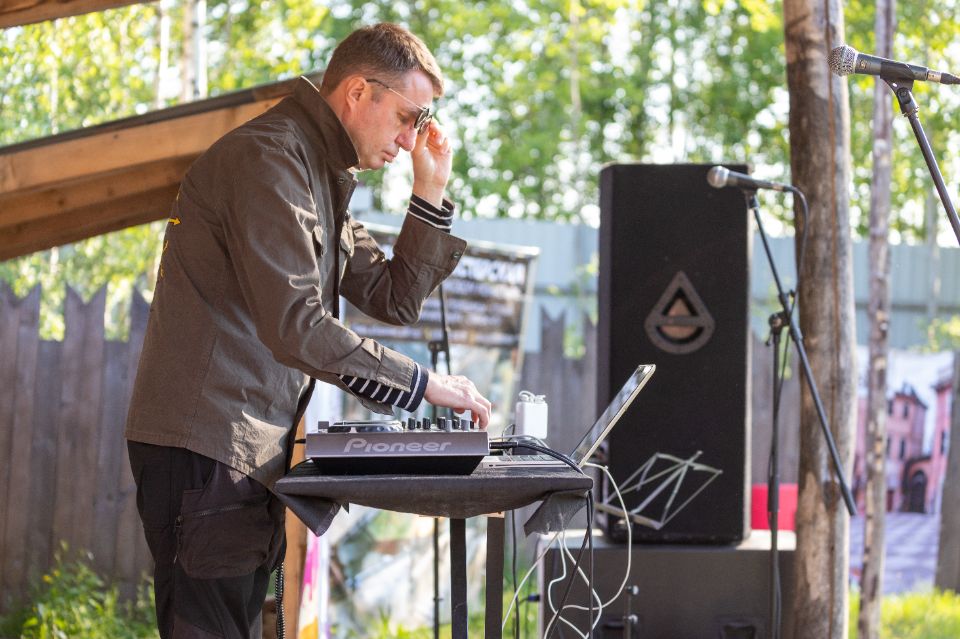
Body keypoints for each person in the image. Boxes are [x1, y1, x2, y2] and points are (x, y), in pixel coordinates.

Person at [125, 23, 491, 638]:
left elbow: (395, 299)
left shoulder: (316, 173)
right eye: (407, 117)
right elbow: (297, 326)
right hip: (207, 447)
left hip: (239, 451)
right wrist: (424, 385)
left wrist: (429, 190)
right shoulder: (270, 159)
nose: (410, 140)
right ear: (357, 92)